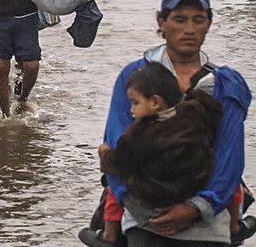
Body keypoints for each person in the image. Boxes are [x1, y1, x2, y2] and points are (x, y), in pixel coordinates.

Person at [79, 0, 255, 247]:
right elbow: (118, 143)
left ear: (209, 23)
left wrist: (198, 207)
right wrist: (143, 210)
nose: (189, 29)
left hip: (208, 220)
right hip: (144, 216)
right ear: (161, 22)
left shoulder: (225, 84)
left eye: (198, 20)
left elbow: (230, 154)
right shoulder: (135, 77)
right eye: (180, 19)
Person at [89, 62, 224, 247]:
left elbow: (118, 162)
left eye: (136, 103)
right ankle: (235, 224)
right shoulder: (193, 114)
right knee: (230, 179)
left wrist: (104, 154)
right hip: (194, 185)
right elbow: (215, 110)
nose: (131, 110)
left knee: (115, 185)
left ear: (155, 102)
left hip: (156, 197)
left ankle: (109, 235)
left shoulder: (139, 134)